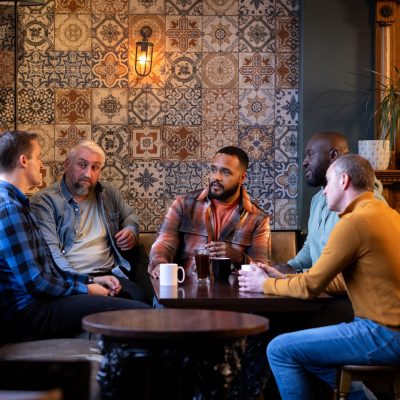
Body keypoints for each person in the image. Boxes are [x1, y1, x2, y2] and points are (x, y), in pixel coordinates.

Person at [238, 154, 400, 400]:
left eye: (329, 182)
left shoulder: (354, 222)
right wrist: (280, 280)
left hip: (383, 333)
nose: (324, 192)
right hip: (388, 331)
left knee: (280, 349)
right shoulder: (388, 214)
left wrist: (264, 284)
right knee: (305, 350)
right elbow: (339, 279)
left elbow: (311, 287)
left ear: (343, 181)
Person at [0, 131, 149, 342]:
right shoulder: (9, 207)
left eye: (95, 167)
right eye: (39, 157)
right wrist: (86, 288)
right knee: (141, 313)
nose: (42, 165)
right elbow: (36, 281)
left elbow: (46, 271)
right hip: (29, 313)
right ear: (24, 161)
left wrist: (90, 280)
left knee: (139, 302)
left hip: (41, 301)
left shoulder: (16, 203)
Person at [30, 139, 149, 304]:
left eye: (95, 167)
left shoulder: (108, 193)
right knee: (129, 308)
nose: (88, 173)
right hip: (71, 277)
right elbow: (51, 252)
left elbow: (130, 216)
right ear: (66, 165)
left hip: (110, 273)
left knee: (142, 298)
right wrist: (86, 282)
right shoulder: (45, 202)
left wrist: (130, 229)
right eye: (82, 165)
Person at [148, 146, 270, 278]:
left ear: (242, 178)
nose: (216, 177)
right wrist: (159, 263)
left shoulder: (258, 218)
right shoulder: (184, 203)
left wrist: (239, 257)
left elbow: (262, 269)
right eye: (213, 170)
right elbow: (164, 241)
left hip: (232, 294)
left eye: (225, 172)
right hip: (184, 288)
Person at [281, 131, 385, 274]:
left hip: (343, 294)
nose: (304, 162)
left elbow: (349, 274)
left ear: (333, 155)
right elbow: (311, 245)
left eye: (310, 154)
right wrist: (291, 267)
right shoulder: (318, 199)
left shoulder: (369, 204)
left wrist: (296, 275)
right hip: (321, 288)